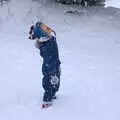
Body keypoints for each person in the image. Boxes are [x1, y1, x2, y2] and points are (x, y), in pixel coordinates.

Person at [28, 22, 61, 105]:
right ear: (42, 34)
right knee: (49, 82)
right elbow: (49, 59)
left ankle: (52, 94)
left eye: (45, 26)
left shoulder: (50, 38)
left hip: (55, 64)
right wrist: (52, 72)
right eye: (45, 28)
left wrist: (36, 30)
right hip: (50, 67)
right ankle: (47, 99)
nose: (47, 28)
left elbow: (52, 36)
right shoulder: (47, 45)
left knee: (55, 83)